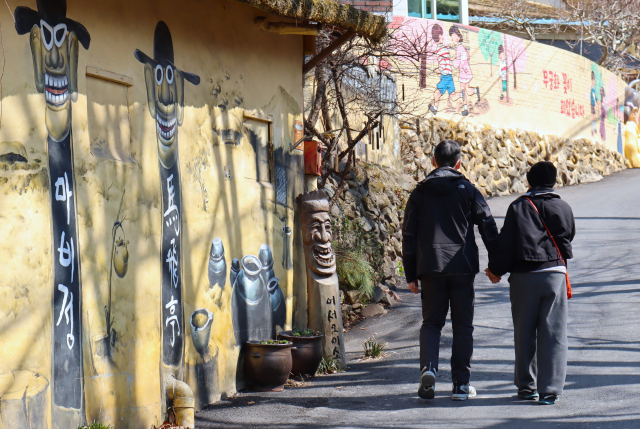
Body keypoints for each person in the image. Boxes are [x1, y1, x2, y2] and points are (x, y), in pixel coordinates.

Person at [402, 140, 499, 401]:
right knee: (463, 326)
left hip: (431, 267)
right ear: (459, 163)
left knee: (432, 323)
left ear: (433, 162)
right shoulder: (468, 190)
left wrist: (410, 273)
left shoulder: (419, 193)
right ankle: (460, 386)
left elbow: (409, 235)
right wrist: (497, 265)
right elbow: (487, 225)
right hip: (462, 267)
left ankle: (429, 369)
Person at [486, 161, 575, 405]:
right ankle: (550, 390)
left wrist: (495, 270)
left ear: (529, 181)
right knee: (554, 333)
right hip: (555, 274)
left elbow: (507, 244)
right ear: (554, 182)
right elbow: (569, 237)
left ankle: (527, 386)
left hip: (524, 277)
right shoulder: (564, 207)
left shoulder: (519, 207)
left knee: (524, 332)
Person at [449, 26, 480, 117]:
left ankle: (466, 108)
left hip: (464, 71)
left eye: (454, 36)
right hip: (466, 70)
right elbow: (467, 55)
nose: (453, 38)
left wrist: (452, 62)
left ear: (458, 37)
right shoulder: (461, 47)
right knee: (466, 89)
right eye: (452, 36)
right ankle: (475, 90)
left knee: (463, 90)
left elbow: (458, 61)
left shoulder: (459, 48)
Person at [428, 24, 455, 116]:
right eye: (441, 35)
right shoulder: (444, 48)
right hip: (449, 74)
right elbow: (447, 62)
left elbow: (443, 65)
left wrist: (439, 70)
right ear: (439, 36)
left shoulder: (439, 50)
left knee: (437, 93)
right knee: (453, 95)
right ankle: (462, 94)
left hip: (445, 76)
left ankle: (435, 108)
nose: (443, 37)